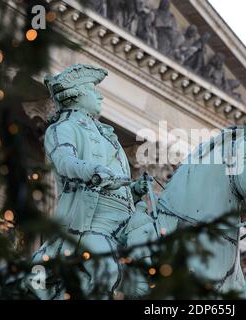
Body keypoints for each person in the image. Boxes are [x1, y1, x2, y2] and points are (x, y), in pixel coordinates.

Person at [25, 64, 155, 299]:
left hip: (126, 220)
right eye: (92, 90)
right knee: (105, 266)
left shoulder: (107, 135)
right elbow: (65, 162)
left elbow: (117, 183)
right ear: (77, 95)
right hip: (89, 223)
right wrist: (93, 171)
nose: (100, 95)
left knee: (154, 266)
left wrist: (134, 191)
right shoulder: (62, 128)